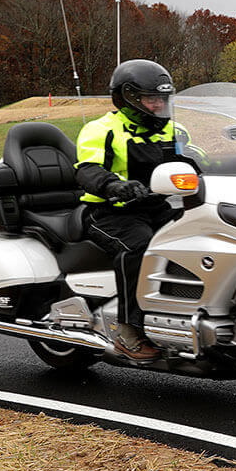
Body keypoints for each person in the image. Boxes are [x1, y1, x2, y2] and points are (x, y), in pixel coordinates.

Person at [75, 59, 178, 364]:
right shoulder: (100, 129)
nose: (159, 105)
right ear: (127, 98)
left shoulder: (171, 128)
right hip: (108, 212)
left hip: (154, 207)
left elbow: (194, 161)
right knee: (139, 245)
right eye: (151, 98)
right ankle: (128, 330)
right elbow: (87, 169)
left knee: (194, 234)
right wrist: (112, 186)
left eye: (163, 99)